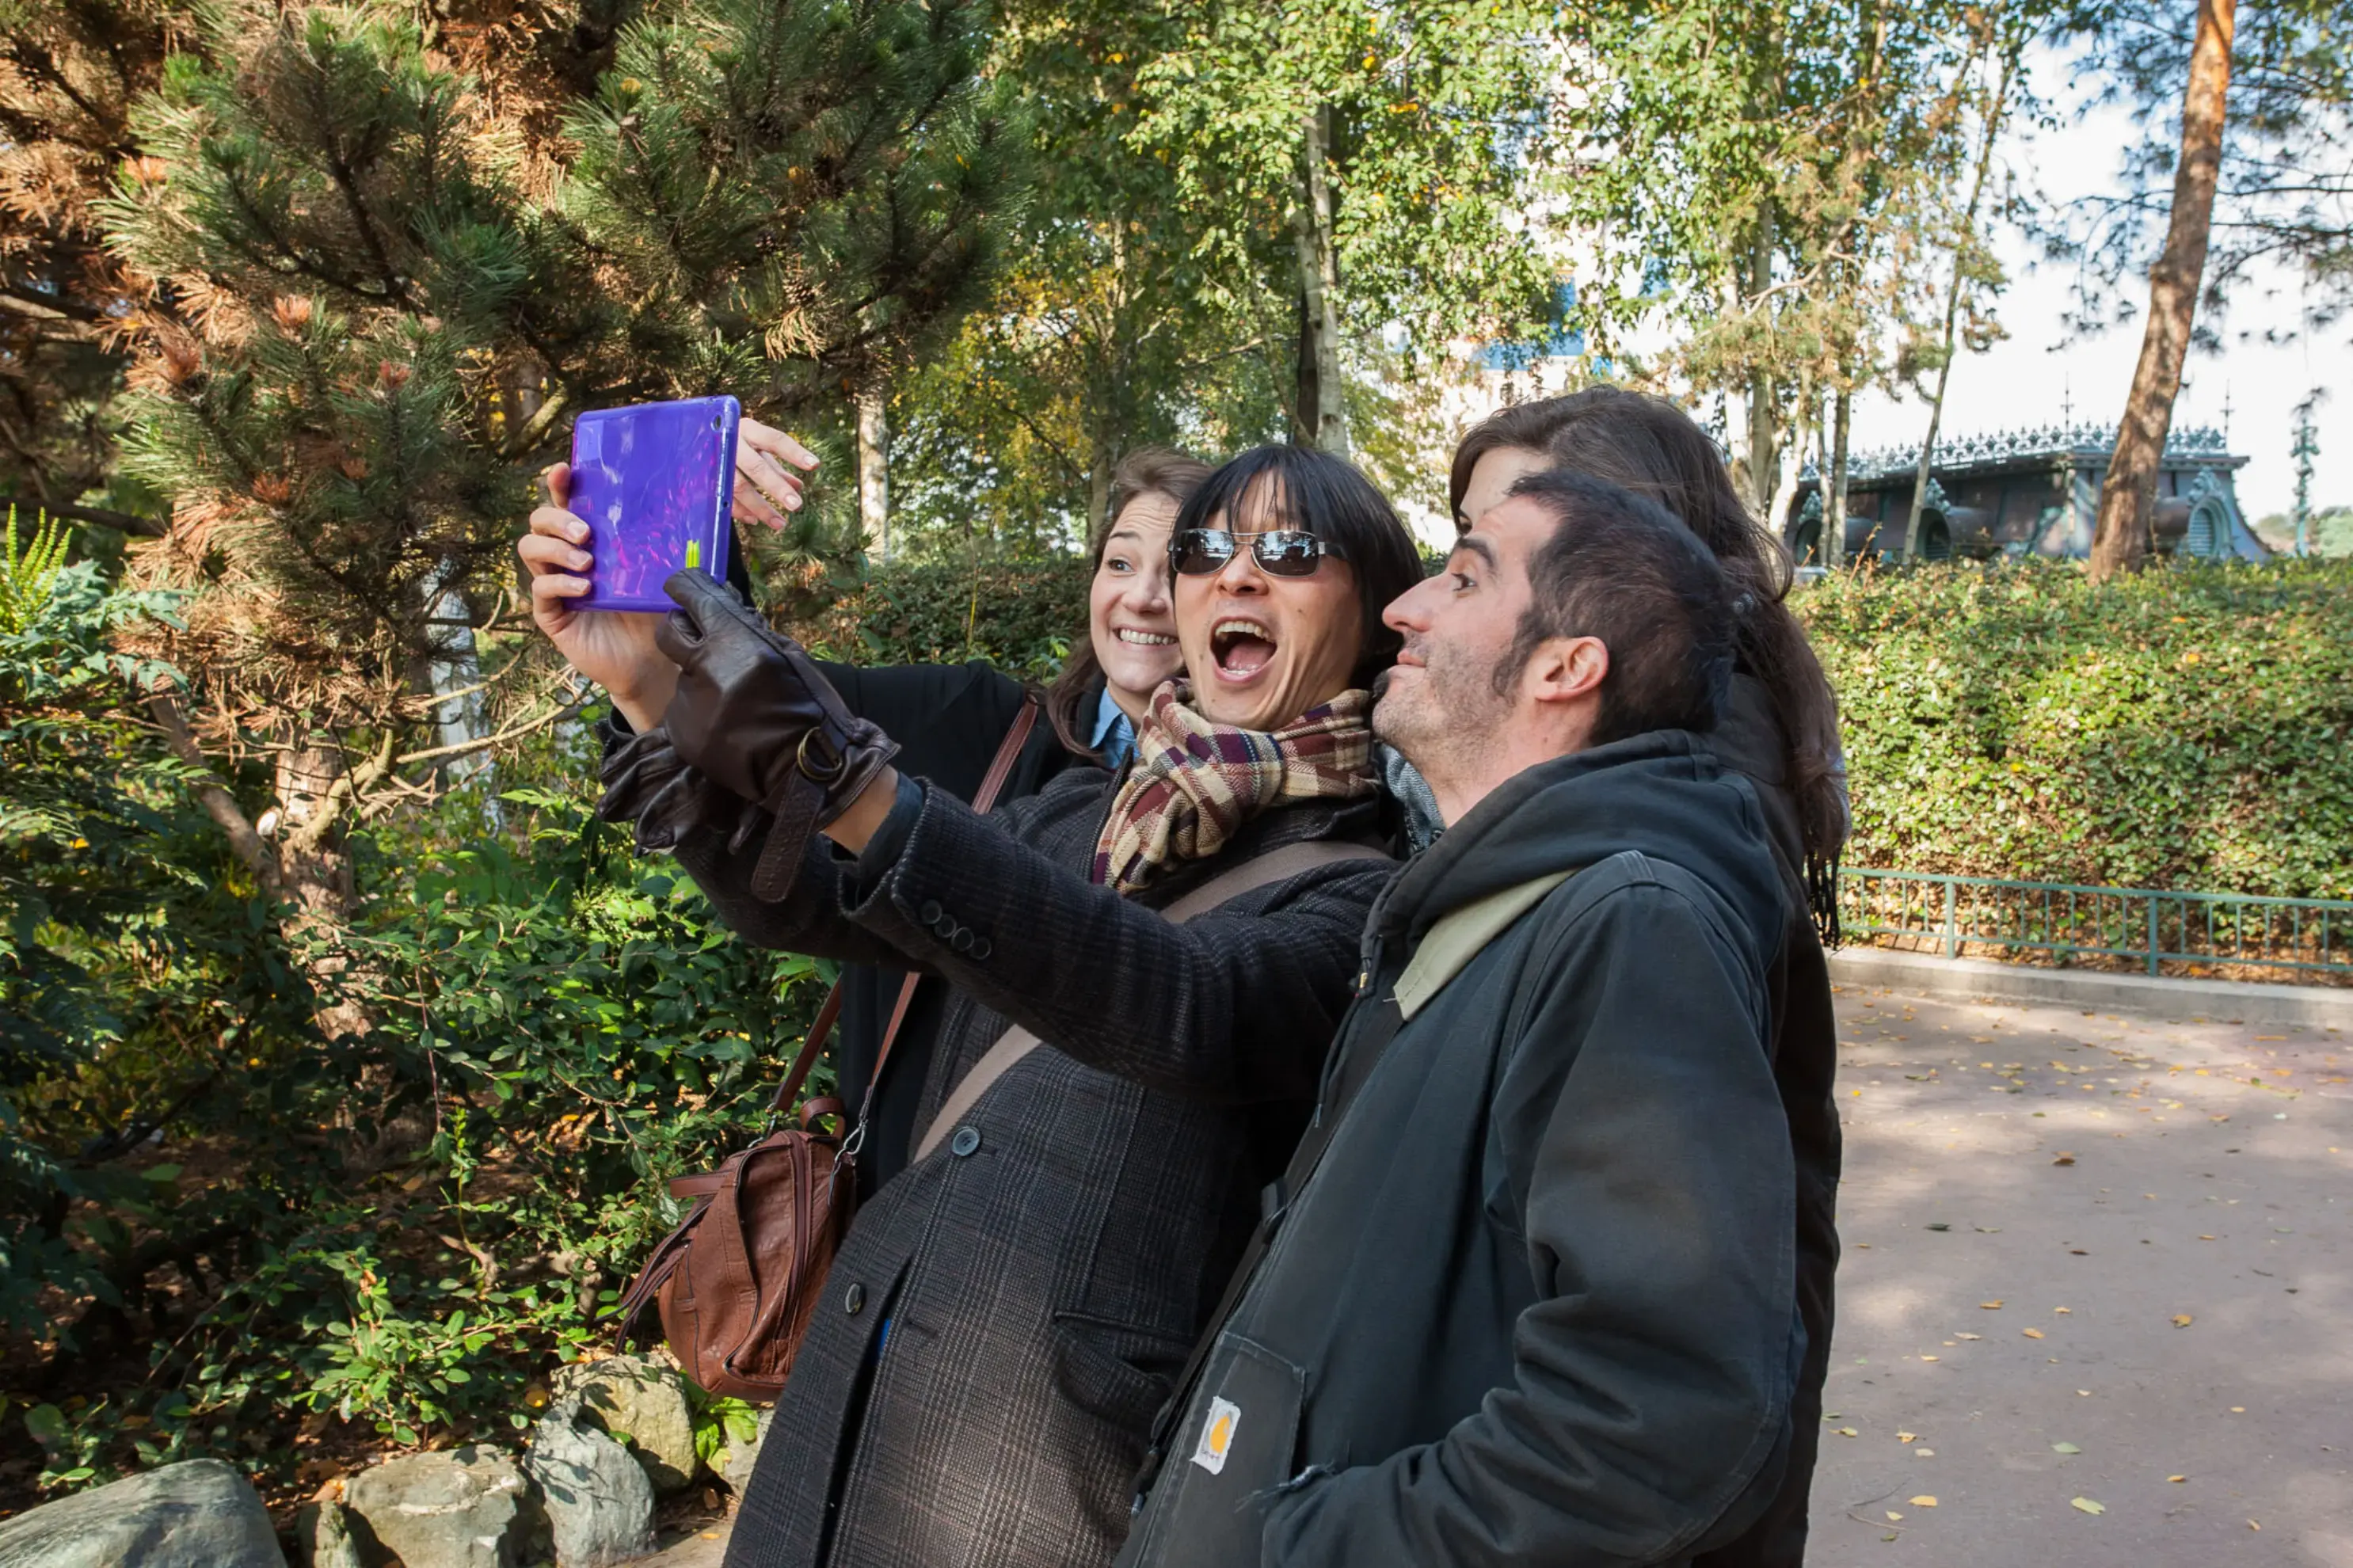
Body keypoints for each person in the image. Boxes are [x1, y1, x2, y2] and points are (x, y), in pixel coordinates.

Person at [582, 444, 1426, 1568]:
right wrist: (643, 685)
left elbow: (1181, 1001)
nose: (1233, 575)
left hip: (1046, 1478)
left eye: (1286, 551)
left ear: (1371, 617)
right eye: (1205, 550)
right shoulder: (1080, 808)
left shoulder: (1364, 886)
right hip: (846, 1416)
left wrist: (851, 781)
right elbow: (809, 899)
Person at [1101, 468, 1799, 1566]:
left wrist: (1312, 1544)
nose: (1402, 609)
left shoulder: (1628, 926)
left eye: (1461, 578)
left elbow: (1662, 1413)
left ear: (1564, 668)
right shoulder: (1483, 908)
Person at [521, 424, 1210, 1193]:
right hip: (897, 1229)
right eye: (1120, 561)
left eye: (1179, 570)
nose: (1143, 597)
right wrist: (678, 499)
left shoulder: (1259, 803)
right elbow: (764, 700)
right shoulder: (977, 721)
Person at [1450, 389, 1845, 1566]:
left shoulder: (1683, 761)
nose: (1450, 577)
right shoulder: (1724, 723)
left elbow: (1653, 1364)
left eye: (1494, 541)